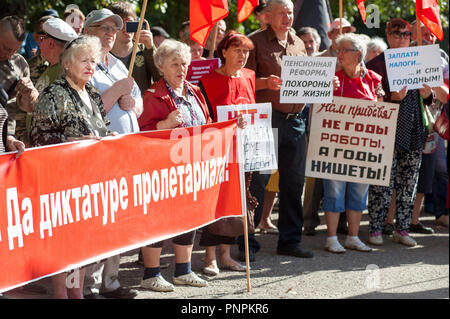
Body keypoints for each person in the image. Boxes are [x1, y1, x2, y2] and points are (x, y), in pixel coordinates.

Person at [30, 35, 111, 298]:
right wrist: (71, 141)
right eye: (84, 60)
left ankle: (76, 291)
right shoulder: (53, 94)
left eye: (94, 61)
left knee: (82, 243)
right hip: (61, 182)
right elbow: (38, 139)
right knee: (63, 241)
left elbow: (103, 131)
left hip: (91, 180)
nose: (91, 66)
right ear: (67, 63)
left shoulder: (94, 95)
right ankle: (60, 292)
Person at [137, 39, 210, 292]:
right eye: (175, 64)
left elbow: (207, 123)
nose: (181, 69)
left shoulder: (195, 91)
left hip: (191, 167)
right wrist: (165, 125)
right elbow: (142, 132)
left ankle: (183, 270)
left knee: (189, 217)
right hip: (161, 168)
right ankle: (151, 273)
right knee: (157, 219)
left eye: (184, 64)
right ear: (161, 67)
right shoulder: (152, 95)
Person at [244, 0, 314, 260]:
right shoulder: (254, 42)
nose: (287, 17)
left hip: (296, 120)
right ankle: (247, 242)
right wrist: (265, 83)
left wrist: (324, 82)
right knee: (258, 181)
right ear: (267, 16)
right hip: (266, 119)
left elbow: (307, 79)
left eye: (290, 12)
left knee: (294, 182)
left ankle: (290, 241)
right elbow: (241, 81)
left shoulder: (298, 42)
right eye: (281, 13)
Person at [82, 8, 142, 299]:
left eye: (113, 29)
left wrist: (132, 103)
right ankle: (90, 284)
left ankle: (112, 281)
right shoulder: (84, 65)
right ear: (87, 31)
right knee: (97, 218)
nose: (109, 33)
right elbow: (87, 111)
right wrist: (117, 91)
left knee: (118, 219)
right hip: (99, 155)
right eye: (102, 28)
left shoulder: (119, 65)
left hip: (125, 155)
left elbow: (138, 105)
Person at [366, 18, 435, 247]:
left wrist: (427, 94)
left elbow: (429, 98)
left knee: (409, 182)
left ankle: (402, 228)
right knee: (382, 181)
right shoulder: (377, 63)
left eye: (406, 34)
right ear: (388, 35)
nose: (402, 37)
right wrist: (390, 98)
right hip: (386, 128)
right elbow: (369, 99)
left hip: (414, 127)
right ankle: (376, 228)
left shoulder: (421, 60)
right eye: (397, 33)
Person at [198, 31, 255, 275]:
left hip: (244, 150)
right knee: (215, 203)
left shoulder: (250, 77)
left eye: (246, 51)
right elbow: (202, 117)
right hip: (216, 150)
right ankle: (209, 258)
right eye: (237, 50)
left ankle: (226, 255)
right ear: (223, 52)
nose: (242, 55)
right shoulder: (208, 81)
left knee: (235, 202)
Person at [324, 33, 385, 253]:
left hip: (364, 147)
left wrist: (380, 99)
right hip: (335, 146)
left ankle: (352, 236)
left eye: (343, 50)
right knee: (334, 190)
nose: (338, 54)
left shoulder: (374, 80)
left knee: (359, 192)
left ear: (357, 54)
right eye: (337, 50)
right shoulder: (333, 79)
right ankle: (331, 238)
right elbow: (321, 110)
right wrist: (326, 90)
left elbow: (380, 113)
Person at [0, 16, 39, 147]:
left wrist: (29, 92)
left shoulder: (20, 64)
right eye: (6, 48)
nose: (9, 54)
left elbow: (27, 108)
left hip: (5, 137)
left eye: (14, 50)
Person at [109, 1, 160, 95]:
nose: (125, 28)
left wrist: (150, 48)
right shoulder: (104, 53)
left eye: (129, 23)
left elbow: (162, 80)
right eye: (121, 23)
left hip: (143, 107)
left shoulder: (145, 49)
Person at [34, 18, 78, 93]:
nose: (40, 43)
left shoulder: (63, 74)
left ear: (51, 43)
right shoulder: (60, 68)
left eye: (42, 39)